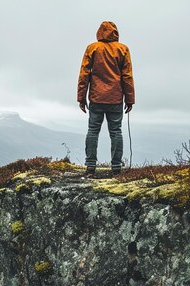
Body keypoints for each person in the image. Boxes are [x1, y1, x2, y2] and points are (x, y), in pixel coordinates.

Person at [77, 21, 135, 177]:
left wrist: (81, 98)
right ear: (115, 32)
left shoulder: (92, 48)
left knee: (92, 131)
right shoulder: (123, 49)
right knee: (116, 131)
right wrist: (130, 99)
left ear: (99, 32)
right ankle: (116, 168)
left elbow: (84, 75)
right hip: (115, 99)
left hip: (96, 98)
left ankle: (90, 168)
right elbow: (127, 76)